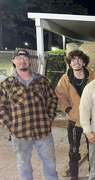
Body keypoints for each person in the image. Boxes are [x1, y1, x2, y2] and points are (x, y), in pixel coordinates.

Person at [0, 50, 58, 180]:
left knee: (50, 162)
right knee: (23, 164)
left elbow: (52, 99)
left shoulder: (41, 81)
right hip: (20, 134)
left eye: (25, 58)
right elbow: (1, 107)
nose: (22, 60)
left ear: (29, 61)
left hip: (43, 132)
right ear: (13, 61)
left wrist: (48, 119)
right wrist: (11, 126)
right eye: (19, 58)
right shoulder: (7, 84)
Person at [55, 50, 95, 180]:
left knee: (94, 149)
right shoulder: (65, 78)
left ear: (84, 62)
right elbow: (60, 96)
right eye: (73, 60)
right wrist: (68, 108)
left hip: (92, 120)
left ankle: (94, 174)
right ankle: (74, 175)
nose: (76, 62)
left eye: (79, 59)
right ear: (70, 63)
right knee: (73, 150)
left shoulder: (93, 76)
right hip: (74, 121)